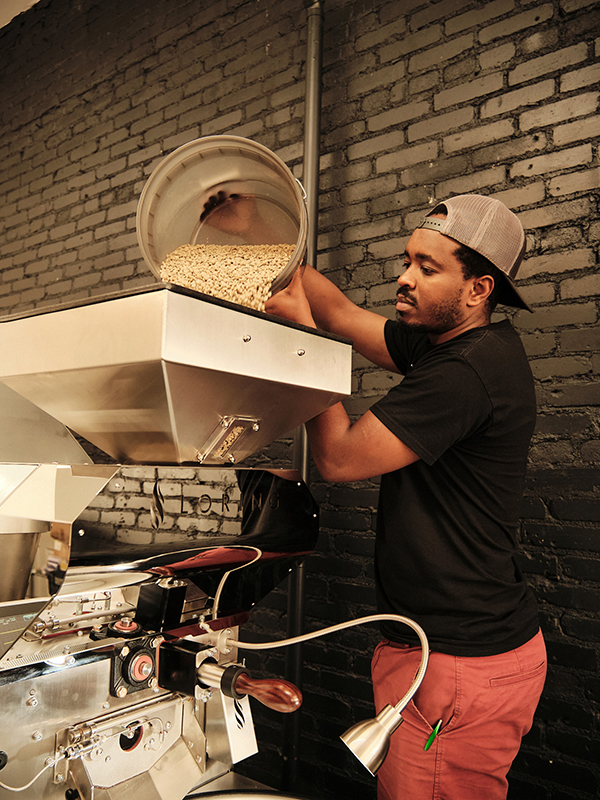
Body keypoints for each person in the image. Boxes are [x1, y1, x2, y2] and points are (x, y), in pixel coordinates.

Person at [263, 194, 547, 800]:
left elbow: (337, 457)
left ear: (478, 289)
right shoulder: (451, 342)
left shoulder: (463, 372)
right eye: (407, 260)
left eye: (428, 267)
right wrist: (263, 235)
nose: (405, 276)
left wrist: (299, 338)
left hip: (457, 665)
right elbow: (338, 311)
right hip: (442, 651)